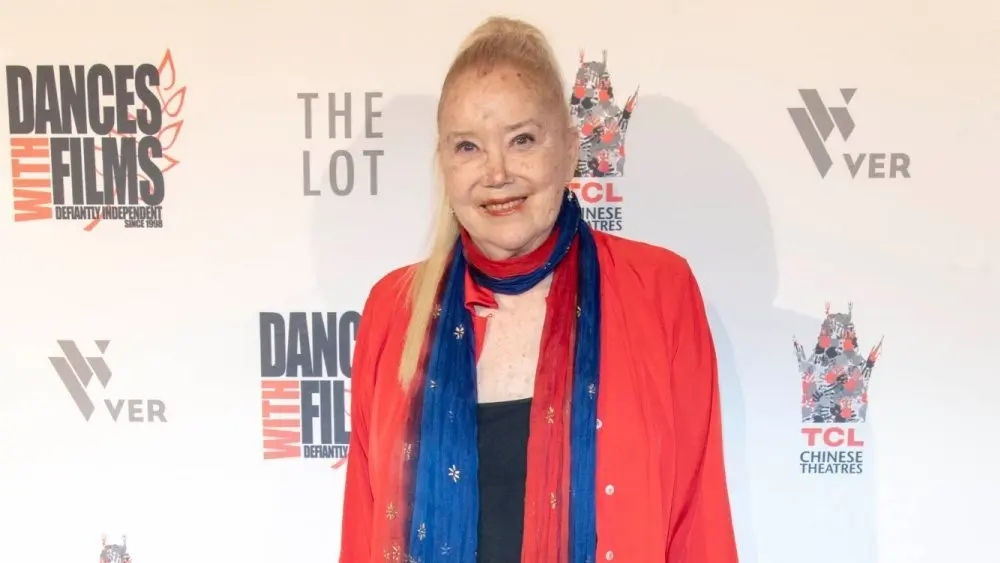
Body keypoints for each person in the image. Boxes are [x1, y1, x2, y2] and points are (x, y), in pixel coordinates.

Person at [339, 16, 738, 563]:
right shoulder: (394, 309)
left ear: (570, 151)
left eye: (522, 139)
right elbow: (363, 531)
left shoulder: (660, 292)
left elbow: (699, 526)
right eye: (468, 148)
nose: (497, 172)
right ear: (443, 165)